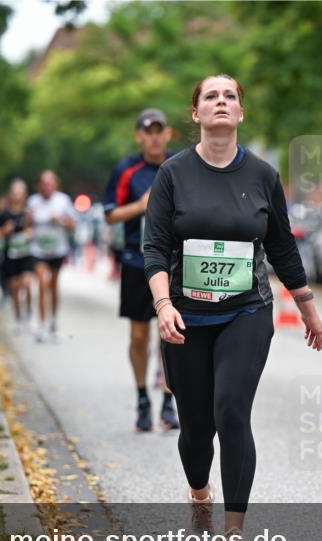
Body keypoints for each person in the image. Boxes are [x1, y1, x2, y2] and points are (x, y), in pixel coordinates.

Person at [143, 74, 322, 541]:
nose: (221, 102)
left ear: (240, 113)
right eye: (211, 96)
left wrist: (307, 307)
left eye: (230, 97)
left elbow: (282, 246)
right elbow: (155, 247)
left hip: (246, 311)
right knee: (196, 428)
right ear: (196, 113)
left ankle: (234, 531)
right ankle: (200, 495)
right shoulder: (174, 174)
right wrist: (164, 306)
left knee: (231, 410)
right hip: (186, 316)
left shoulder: (262, 175)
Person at [104, 108, 180, 432]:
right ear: (139, 136)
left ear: (168, 134)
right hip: (137, 261)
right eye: (148, 131)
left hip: (175, 263)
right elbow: (109, 214)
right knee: (139, 335)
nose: (154, 137)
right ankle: (142, 399)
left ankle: (169, 401)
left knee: (172, 334)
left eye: (159, 130)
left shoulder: (181, 165)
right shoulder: (126, 170)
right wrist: (140, 206)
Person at [27, 170, 76, 342]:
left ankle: (53, 322)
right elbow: (27, 226)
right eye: (44, 183)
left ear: (55, 184)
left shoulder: (63, 200)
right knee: (42, 282)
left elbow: (72, 225)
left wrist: (60, 220)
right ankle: (42, 324)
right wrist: (28, 222)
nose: (47, 186)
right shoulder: (33, 201)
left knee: (54, 286)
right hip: (38, 250)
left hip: (57, 250)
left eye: (50, 182)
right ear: (39, 185)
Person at [0, 179, 34, 335]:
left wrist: (29, 230)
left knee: (27, 284)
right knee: (15, 289)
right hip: (10, 256)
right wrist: (5, 231)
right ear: (11, 194)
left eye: (20, 193)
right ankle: (19, 319)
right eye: (15, 193)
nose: (17, 196)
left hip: (26, 254)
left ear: (25, 194)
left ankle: (28, 316)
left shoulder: (28, 212)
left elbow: (34, 230)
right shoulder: (4, 214)